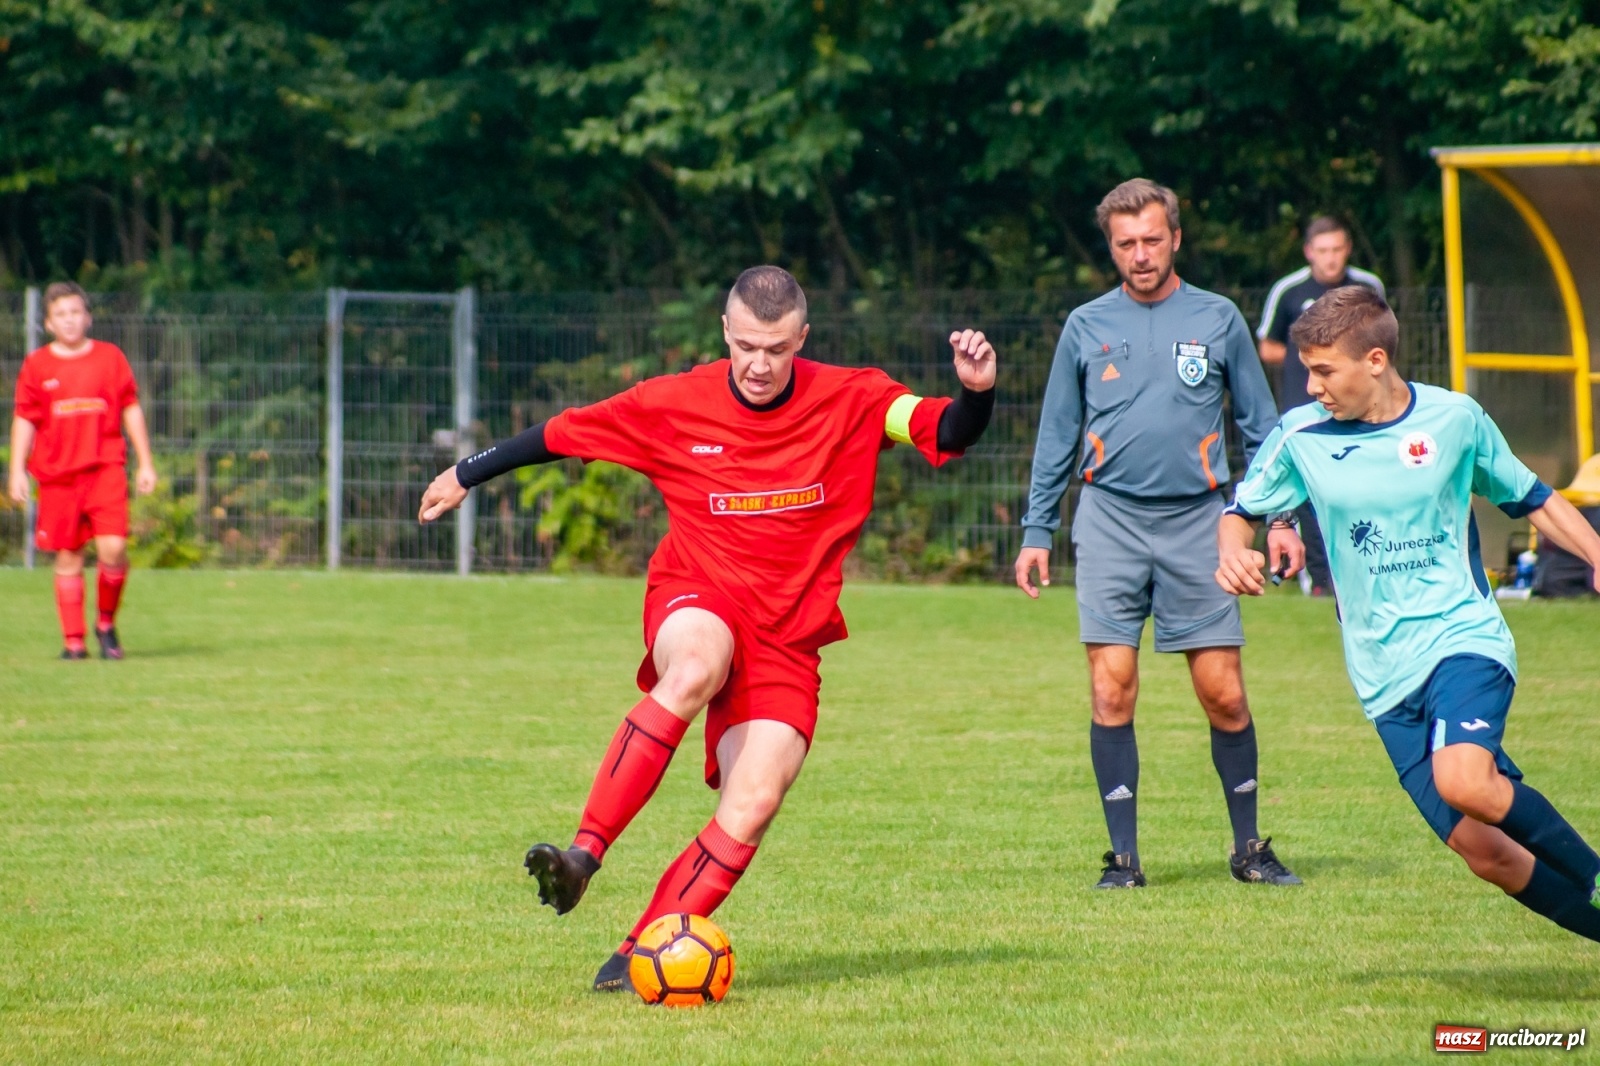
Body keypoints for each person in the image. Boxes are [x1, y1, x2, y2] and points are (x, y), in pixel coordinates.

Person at [417, 266, 997, 990]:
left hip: (789, 636)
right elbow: (561, 435)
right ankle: (582, 858)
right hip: (699, 593)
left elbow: (944, 428)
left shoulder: (854, 396)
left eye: (778, 349)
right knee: (694, 667)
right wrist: (466, 475)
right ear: (725, 332)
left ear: (802, 341)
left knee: (753, 803)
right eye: (748, 345)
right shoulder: (673, 402)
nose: (759, 364)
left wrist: (977, 391)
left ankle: (637, 957)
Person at [1218, 285, 1600, 941]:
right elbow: (1242, 512)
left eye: (1323, 370)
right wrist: (1233, 554)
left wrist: (1596, 551)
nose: (1311, 386)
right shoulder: (1301, 435)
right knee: (1486, 853)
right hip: (1382, 675)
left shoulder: (1454, 420)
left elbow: (1530, 496)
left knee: (1465, 780)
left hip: (1462, 639)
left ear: (1374, 360)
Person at [1015, 179, 1303, 889]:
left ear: (1175, 237)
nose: (1139, 255)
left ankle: (1249, 850)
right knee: (1111, 690)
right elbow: (1057, 434)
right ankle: (1123, 860)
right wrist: (1035, 530)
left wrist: (1282, 519)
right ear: (1110, 248)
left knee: (1224, 692)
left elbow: (1264, 431)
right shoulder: (1085, 325)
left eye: (1151, 239)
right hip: (1109, 518)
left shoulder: (1220, 317)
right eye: (1125, 244)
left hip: (1204, 523)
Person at [8, 282, 157, 660]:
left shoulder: (110, 358)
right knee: (68, 556)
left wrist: (146, 462)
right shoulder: (37, 365)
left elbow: (130, 408)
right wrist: (16, 470)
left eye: (76, 312)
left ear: (88, 317)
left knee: (114, 547)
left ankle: (105, 624)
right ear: (48, 323)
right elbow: (25, 417)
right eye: (61, 314)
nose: (70, 320)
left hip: (105, 467)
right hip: (58, 476)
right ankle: (73, 642)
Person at [1257, 216, 1386, 594]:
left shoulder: (1367, 286)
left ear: (1347, 250)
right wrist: (1319, 364)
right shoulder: (1290, 290)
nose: (1330, 259)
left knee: (1362, 489)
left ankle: (1368, 570)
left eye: (1337, 250)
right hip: (1308, 411)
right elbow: (1267, 345)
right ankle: (1320, 581)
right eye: (1323, 251)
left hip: (1361, 411)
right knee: (1312, 495)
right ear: (1310, 252)